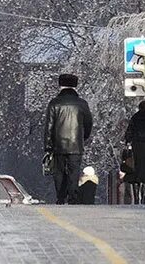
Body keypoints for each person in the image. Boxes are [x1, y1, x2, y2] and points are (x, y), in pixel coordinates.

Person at [43, 73, 93, 204]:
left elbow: (49, 126)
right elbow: (88, 123)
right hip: (76, 144)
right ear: (75, 86)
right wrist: (83, 137)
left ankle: (60, 197)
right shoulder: (82, 104)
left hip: (58, 144)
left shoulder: (54, 103)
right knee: (74, 171)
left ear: (60, 85)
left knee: (58, 172)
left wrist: (48, 146)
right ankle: (73, 197)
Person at [121, 100, 145, 204]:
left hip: (136, 147)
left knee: (135, 171)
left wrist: (129, 142)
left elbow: (128, 135)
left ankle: (136, 197)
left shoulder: (135, 118)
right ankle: (143, 196)